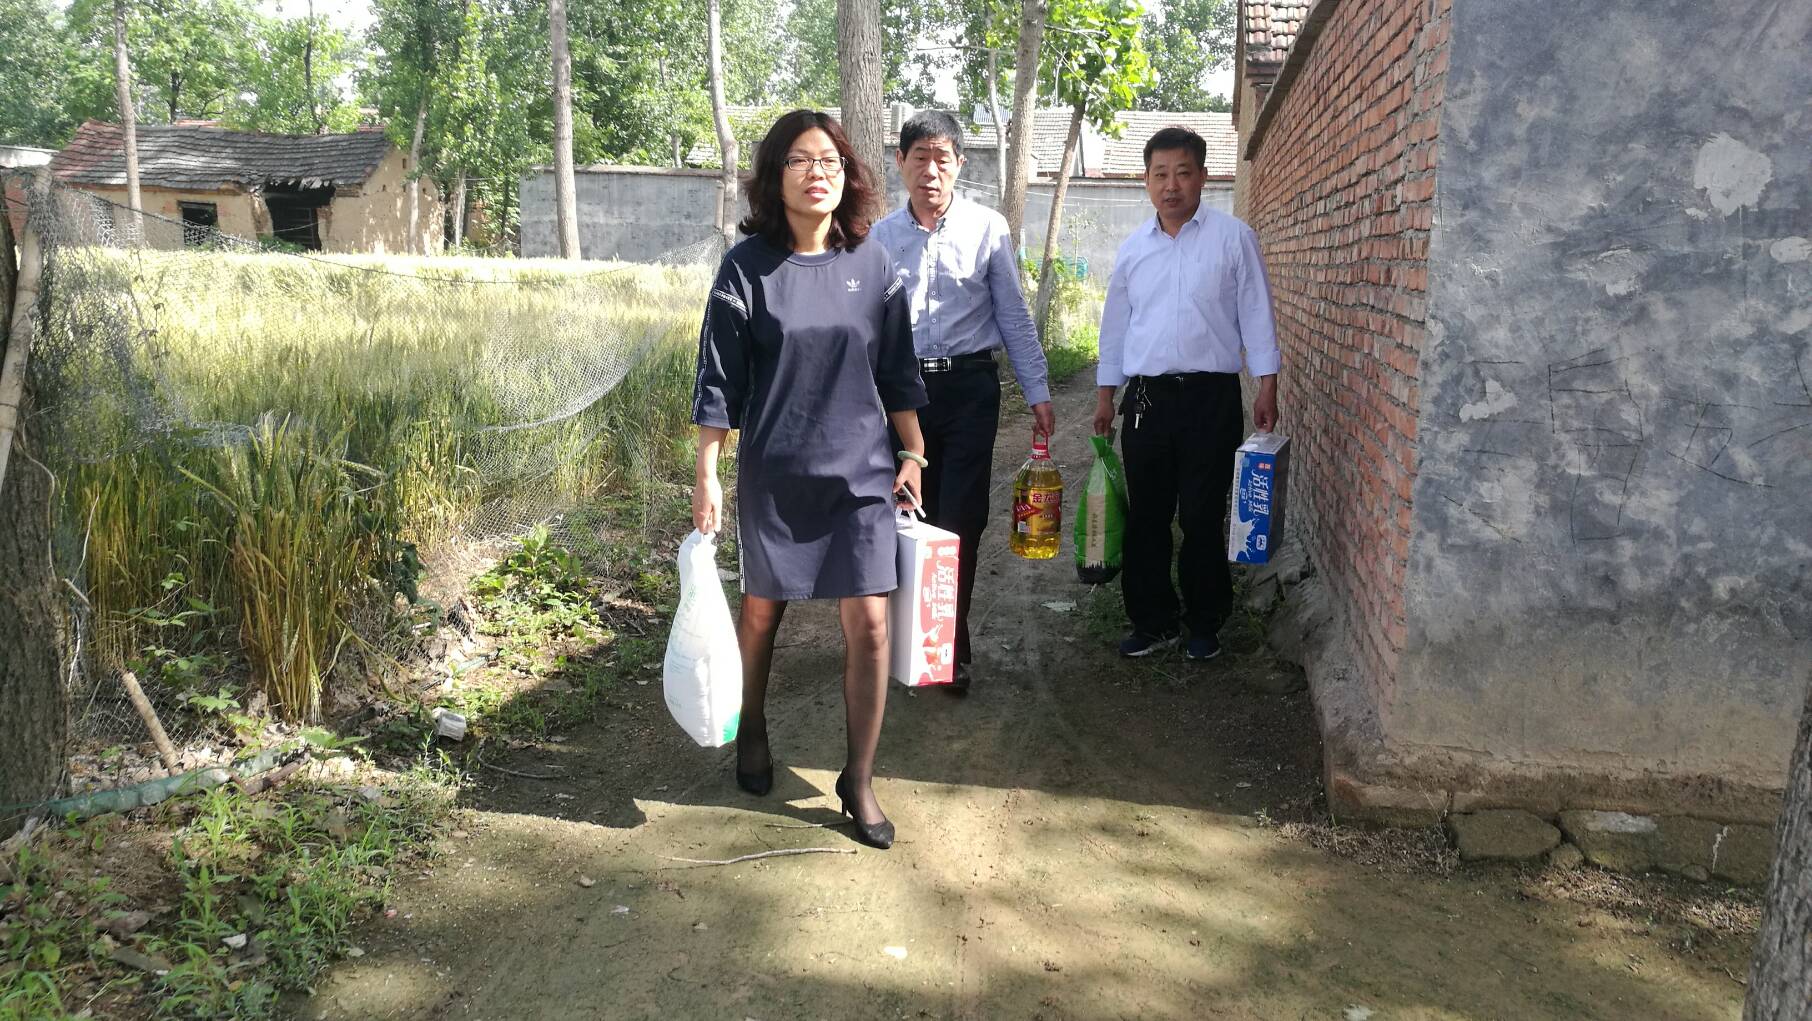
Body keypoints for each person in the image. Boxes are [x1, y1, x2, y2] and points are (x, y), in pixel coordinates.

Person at [691, 110, 927, 850]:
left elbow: (897, 370)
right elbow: (719, 380)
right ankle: (752, 726)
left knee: (871, 621)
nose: (816, 172)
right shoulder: (746, 269)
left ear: (847, 175)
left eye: (829, 159)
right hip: (777, 469)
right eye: (799, 159)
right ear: (775, 176)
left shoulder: (874, 264)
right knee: (762, 612)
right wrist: (707, 471)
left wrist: (914, 453)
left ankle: (858, 777)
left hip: (861, 472)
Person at [872, 110, 1053, 694]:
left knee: (961, 518)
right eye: (919, 157)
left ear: (959, 164)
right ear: (900, 163)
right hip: (902, 396)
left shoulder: (987, 228)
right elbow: (866, 325)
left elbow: (1013, 315)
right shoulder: (880, 239)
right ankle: (902, 642)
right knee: (904, 514)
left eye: (942, 158)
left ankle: (948, 648)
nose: (930, 170)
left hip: (971, 389)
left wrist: (1038, 390)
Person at [1091, 126, 1280, 662]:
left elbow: (1257, 315)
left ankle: (1204, 621)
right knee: (1148, 514)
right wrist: (1106, 397)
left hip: (1209, 399)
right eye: (1160, 174)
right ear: (1146, 181)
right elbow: (1115, 330)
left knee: (1201, 514)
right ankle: (1153, 621)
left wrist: (1267, 386)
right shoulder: (1133, 250)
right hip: (1146, 401)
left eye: (1182, 173)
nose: (1170, 185)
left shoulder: (1233, 238)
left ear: (1203, 176)